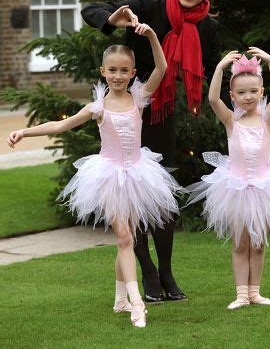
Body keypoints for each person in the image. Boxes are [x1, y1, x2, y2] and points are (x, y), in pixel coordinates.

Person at [7, 23, 183, 328]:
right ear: (103, 71)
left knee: (124, 240)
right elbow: (61, 126)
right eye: (112, 70)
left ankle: (119, 299)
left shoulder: (139, 98)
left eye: (123, 70)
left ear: (132, 73)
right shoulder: (97, 107)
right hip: (109, 176)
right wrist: (25, 131)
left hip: (139, 173)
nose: (117, 75)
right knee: (126, 237)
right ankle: (137, 303)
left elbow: (162, 66)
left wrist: (152, 35)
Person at [81, 0, 220, 303]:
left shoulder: (208, 27)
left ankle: (168, 271)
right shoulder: (148, 5)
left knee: (161, 198)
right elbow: (90, 9)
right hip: (129, 107)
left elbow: (214, 69)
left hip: (161, 115)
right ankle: (147, 273)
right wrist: (112, 18)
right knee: (132, 197)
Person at [186, 47, 270, 310]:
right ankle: (241, 294)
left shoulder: (268, 120)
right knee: (240, 243)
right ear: (232, 95)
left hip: (265, 189)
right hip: (237, 189)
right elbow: (211, 100)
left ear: (261, 92)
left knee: (259, 242)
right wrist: (219, 68)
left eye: (253, 91)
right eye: (241, 92)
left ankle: (255, 292)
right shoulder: (232, 121)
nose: (248, 97)